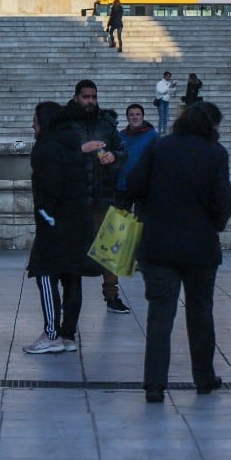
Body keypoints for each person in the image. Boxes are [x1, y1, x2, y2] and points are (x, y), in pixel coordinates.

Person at [124, 101, 231, 403]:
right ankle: (203, 376)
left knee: (160, 314)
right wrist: (214, 225)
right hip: (200, 247)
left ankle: (155, 383)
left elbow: (133, 184)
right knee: (201, 312)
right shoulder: (216, 154)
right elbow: (223, 200)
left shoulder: (160, 147)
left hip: (158, 245)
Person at [24, 101, 104, 354]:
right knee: (72, 276)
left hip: (55, 223)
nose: (32, 124)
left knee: (45, 274)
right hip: (78, 221)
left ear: (45, 121)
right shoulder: (73, 145)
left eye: (35, 119)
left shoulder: (46, 148)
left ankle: (51, 333)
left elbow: (49, 189)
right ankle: (68, 334)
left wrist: (46, 217)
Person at [59, 79, 131, 313]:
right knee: (72, 247)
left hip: (103, 192)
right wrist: (81, 150)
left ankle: (112, 295)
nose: (91, 101)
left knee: (111, 245)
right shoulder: (65, 123)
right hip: (75, 195)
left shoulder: (106, 123)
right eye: (86, 97)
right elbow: (54, 153)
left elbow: (123, 151)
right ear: (76, 97)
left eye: (94, 97)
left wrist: (113, 156)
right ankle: (70, 297)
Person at [115, 102, 157, 212]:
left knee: (142, 220)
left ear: (142, 117)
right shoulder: (121, 135)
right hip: (123, 184)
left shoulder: (152, 135)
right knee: (120, 219)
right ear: (127, 118)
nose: (135, 117)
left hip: (143, 186)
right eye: (131, 114)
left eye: (138, 114)